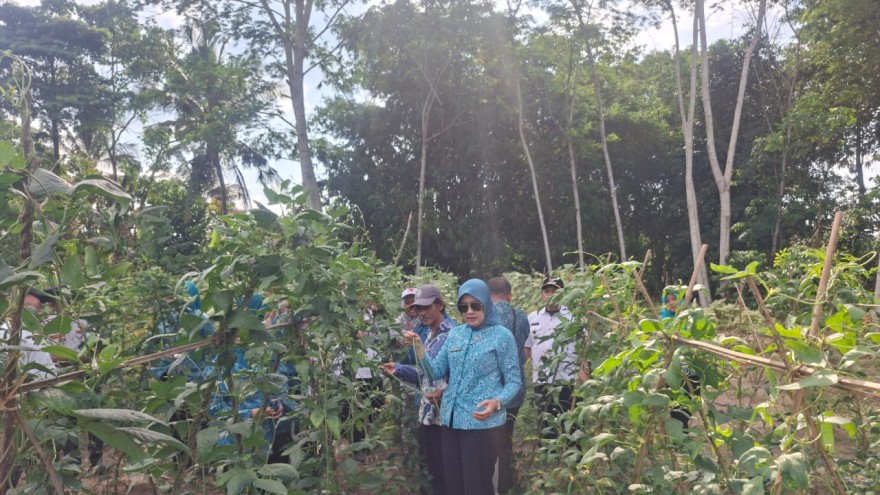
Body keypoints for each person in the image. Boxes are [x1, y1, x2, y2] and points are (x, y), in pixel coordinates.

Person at [405, 279, 521, 495]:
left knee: (478, 485)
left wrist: (497, 402)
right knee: (454, 484)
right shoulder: (456, 334)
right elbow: (435, 372)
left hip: (482, 425)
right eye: (463, 307)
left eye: (475, 305)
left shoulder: (502, 336)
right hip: (451, 423)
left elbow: (514, 381)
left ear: (486, 304)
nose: (469, 312)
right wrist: (419, 348)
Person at [380, 284, 455, 494]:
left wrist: (445, 393)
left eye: (427, 307)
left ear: (440, 305)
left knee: (447, 474)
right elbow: (426, 375)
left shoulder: (453, 334)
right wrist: (399, 369)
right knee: (433, 471)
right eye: (419, 308)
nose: (422, 313)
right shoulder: (429, 335)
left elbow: (460, 376)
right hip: (428, 415)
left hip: (445, 418)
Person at [487, 276, 528, 494]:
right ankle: (507, 485)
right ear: (509, 295)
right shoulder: (520, 316)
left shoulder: (485, 317)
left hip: (492, 390)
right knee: (506, 438)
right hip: (515, 389)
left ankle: (495, 486)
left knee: (491, 440)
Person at [525, 277, 577, 438]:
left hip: (567, 379)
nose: (550, 295)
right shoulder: (533, 318)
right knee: (545, 423)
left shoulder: (573, 317)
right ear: (542, 295)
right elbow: (527, 347)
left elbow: (584, 346)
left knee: (570, 422)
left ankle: (569, 450)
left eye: (555, 291)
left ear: (563, 294)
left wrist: (584, 372)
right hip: (542, 379)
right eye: (547, 291)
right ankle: (547, 449)